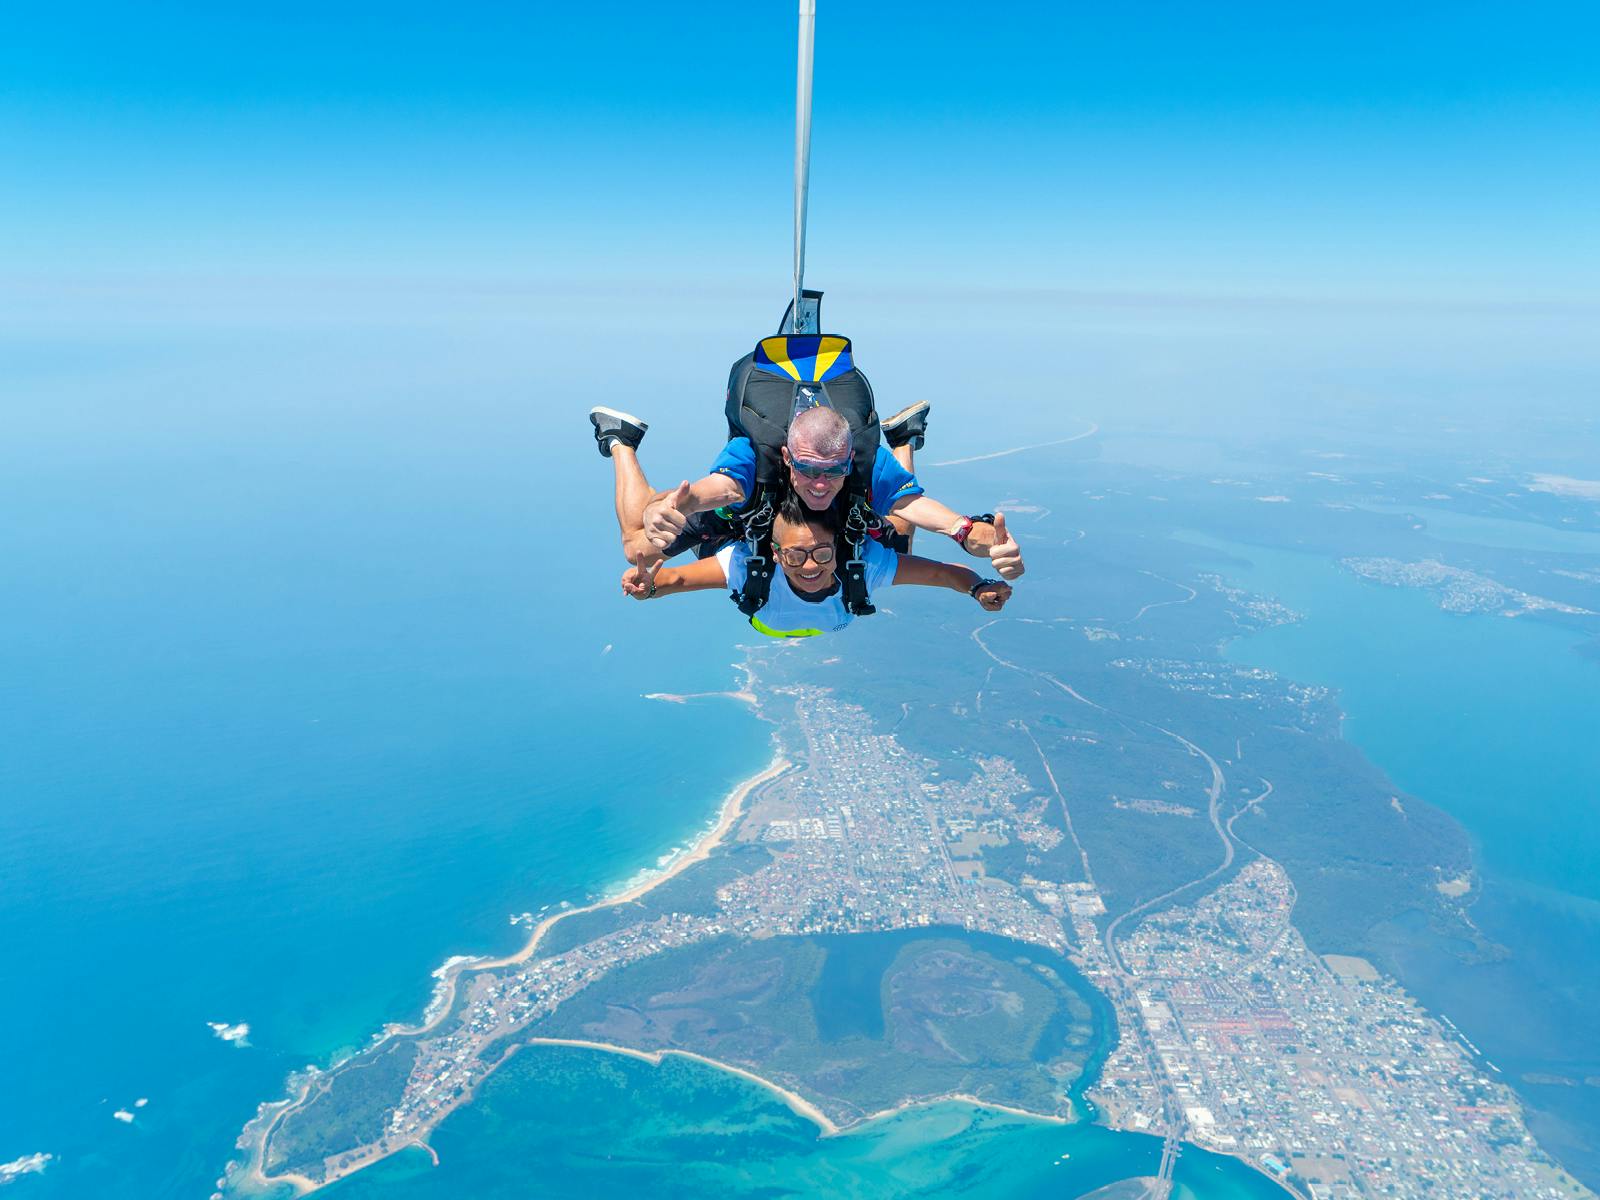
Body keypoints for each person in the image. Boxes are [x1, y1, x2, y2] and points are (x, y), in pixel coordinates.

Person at [590, 402, 1025, 580]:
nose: (820, 484)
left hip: (824, 518)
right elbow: (719, 489)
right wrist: (671, 507)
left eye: (833, 471)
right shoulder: (754, 456)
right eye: (807, 469)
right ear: (785, 456)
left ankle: (902, 439)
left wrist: (972, 534)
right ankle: (621, 440)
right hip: (740, 516)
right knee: (639, 550)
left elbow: (919, 507)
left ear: (848, 458)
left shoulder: (864, 462)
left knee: (901, 532)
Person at [619, 488, 1012, 638]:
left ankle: (902, 450)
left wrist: (978, 586)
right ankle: (621, 440)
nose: (810, 566)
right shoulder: (747, 566)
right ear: (775, 554)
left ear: (839, 550)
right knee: (638, 542)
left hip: (770, 594)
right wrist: (646, 583)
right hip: (729, 534)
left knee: (892, 542)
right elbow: (672, 579)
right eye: (795, 556)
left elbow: (944, 574)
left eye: (823, 554)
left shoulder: (863, 564)